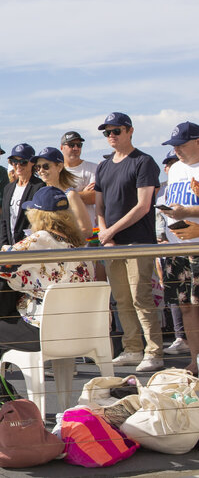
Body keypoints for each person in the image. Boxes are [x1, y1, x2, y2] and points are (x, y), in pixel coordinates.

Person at [0, 186, 92, 368]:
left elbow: (1, 262)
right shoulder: (77, 243)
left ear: (38, 215)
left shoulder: (42, 239)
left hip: (47, 330)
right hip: (82, 329)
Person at [95, 112, 163, 372]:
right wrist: (105, 235)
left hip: (138, 241)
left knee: (141, 297)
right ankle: (132, 348)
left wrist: (109, 231)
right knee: (122, 299)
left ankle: (154, 350)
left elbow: (143, 206)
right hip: (112, 243)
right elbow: (100, 206)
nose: (111, 136)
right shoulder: (103, 166)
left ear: (129, 131)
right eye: (107, 132)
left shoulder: (144, 162)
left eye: (116, 131)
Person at [159, 121, 199, 373]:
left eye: (181, 145)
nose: (177, 150)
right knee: (185, 306)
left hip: (196, 247)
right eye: (174, 146)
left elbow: (186, 207)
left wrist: (187, 211)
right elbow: (176, 204)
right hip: (177, 247)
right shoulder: (174, 171)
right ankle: (195, 359)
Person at [157, 148, 188, 357]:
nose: (170, 165)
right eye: (167, 162)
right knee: (179, 302)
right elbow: (160, 225)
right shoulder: (165, 188)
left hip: (190, 246)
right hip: (171, 248)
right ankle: (181, 339)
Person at [31, 147, 93, 239]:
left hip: (66, 251)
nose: (41, 170)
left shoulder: (70, 195)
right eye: (38, 167)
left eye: (46, 166)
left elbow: (86, 230)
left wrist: (59, 239)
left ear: (59, 167)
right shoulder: (40, 194)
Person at [0, 143, 44, 248]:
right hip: (10, 246)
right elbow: (4, 220)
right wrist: (4, 245)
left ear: (32, 163)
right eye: (14, 162)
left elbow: (39, 221)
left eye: (23, 162)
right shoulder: (8, 188)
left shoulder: (40, 187)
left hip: (30, 246)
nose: (18, 166)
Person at [61, 130, 98, 226]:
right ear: (62, 147)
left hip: (88, 229)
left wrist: (64, 196)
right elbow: (54, 200)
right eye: (71, 145)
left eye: (79, 145)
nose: (76, 148)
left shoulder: (93, 168)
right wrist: (82, 194)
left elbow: (94, 197)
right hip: (65, 229)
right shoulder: (57, 171)